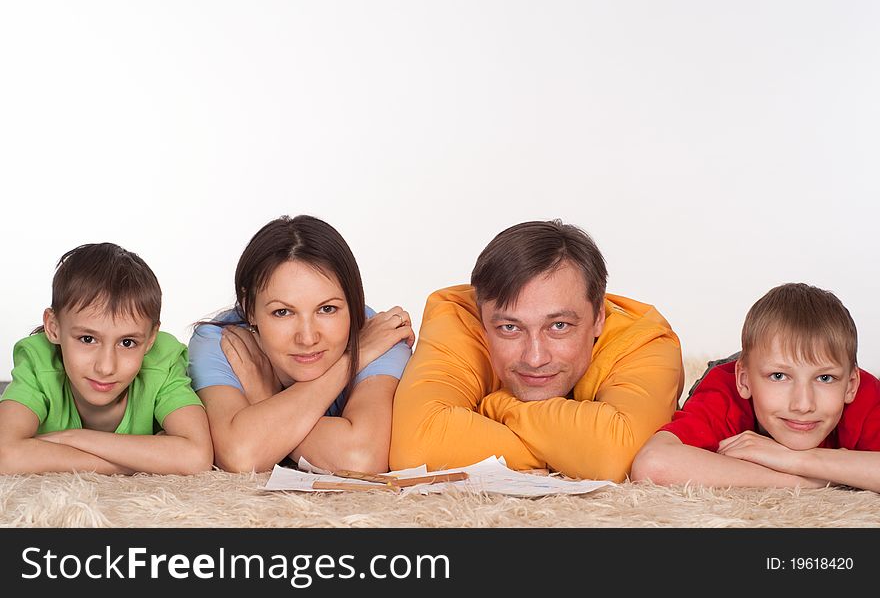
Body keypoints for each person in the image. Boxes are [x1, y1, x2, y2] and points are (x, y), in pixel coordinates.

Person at [390, 219, 684, 481]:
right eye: (510, 328)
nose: (534, 358)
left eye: (559, 326)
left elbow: (617, 456)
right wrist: (571, 453)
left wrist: (497, 407)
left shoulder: (647, 341)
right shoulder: (458, 315)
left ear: (598, 319)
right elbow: (416, 446)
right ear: (482, 321)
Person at [188, 214, 413, 474]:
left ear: (352, 302)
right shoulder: (220, 340)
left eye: (327, 309)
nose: (307, 338)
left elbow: (360, 458)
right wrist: (353, 359)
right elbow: (240, 455)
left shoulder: (380, 335)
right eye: (283, 312)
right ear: (249, 308)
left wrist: (265, 399)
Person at [631, 283, 880, 492]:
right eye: (779, 376)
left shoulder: (863, 393)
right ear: (744, 380)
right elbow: (654, 464)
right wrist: (805, 481)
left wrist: (797, 460)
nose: (803, 404)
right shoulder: (725, 391)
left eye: (824, 378)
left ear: (850, 385)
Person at [0, 243, 213, 475]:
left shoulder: (162, 360)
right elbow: (5, 454)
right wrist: (136, 462)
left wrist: (71, 439)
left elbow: (195, 457)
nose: (106, 367)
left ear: (151, 338)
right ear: (53, 327)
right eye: (88, 339)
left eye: (127, 343)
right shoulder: (39, 360)